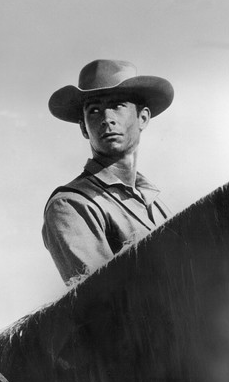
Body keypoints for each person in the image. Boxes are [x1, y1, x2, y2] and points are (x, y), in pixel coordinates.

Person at [42, 59, 174, 285]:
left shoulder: (157, 205)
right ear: (84, 127)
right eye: (94, 110)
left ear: (143, 118)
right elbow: (104, 302)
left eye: (118, 105)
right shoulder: (71, 205)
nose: (106, 119)